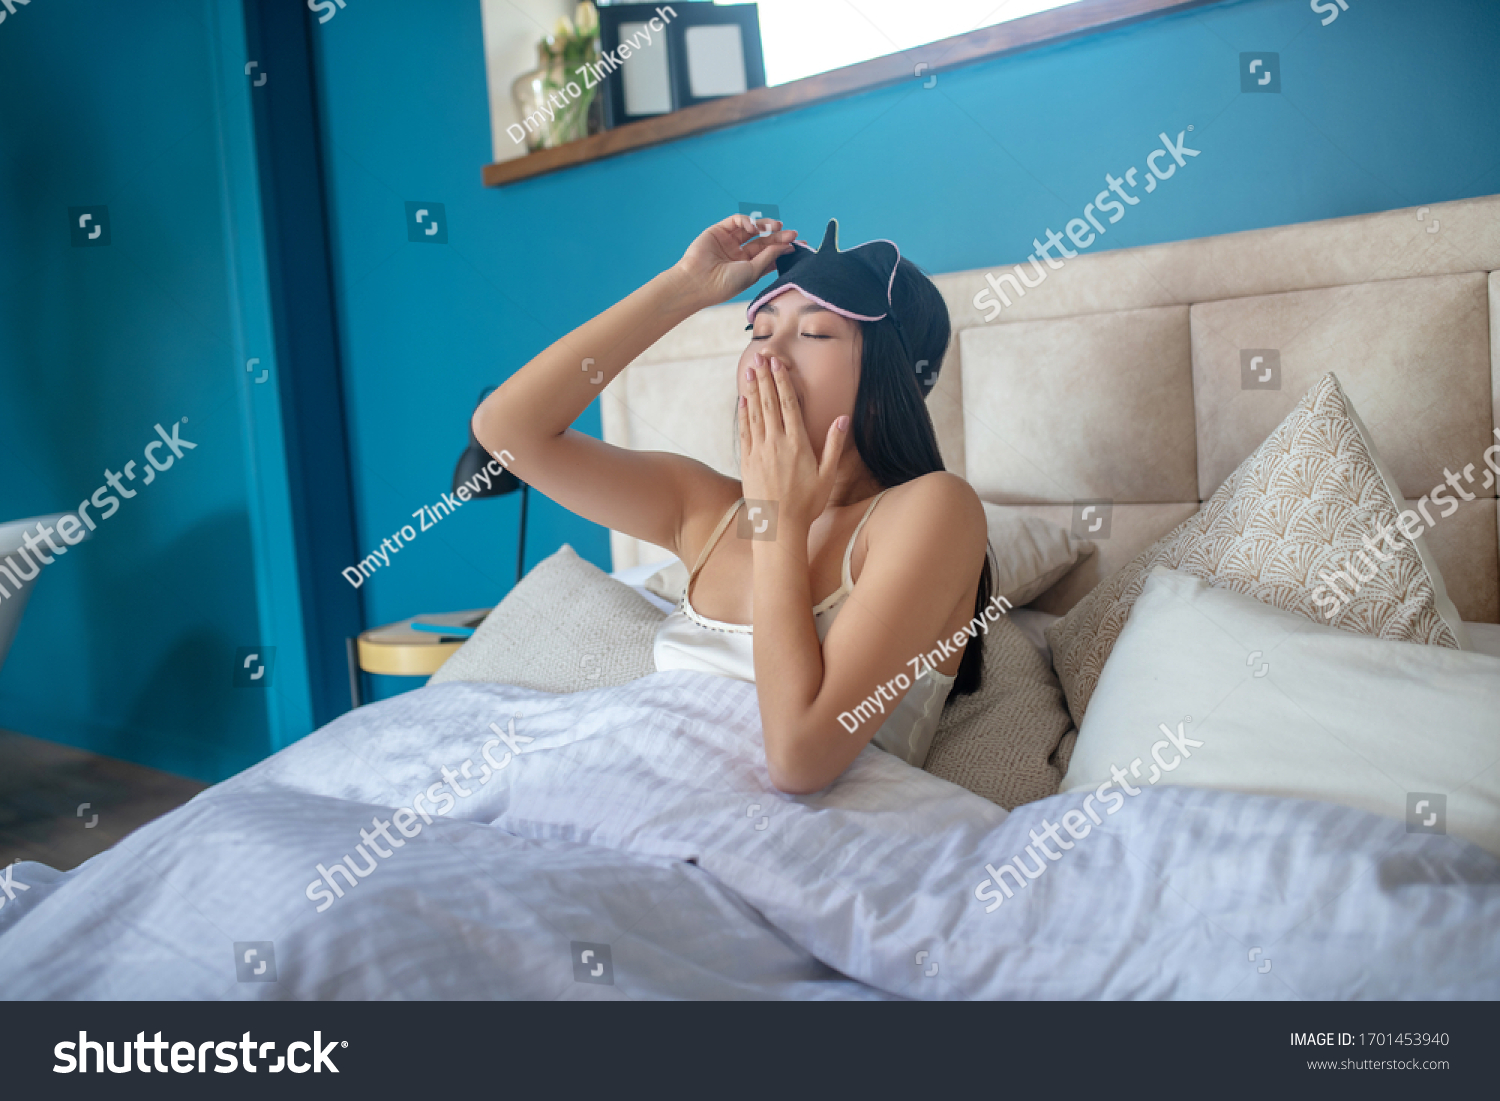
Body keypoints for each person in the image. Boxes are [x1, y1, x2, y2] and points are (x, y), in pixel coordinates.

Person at [473, 214, 993, 793]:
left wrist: (779, 522)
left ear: (887, 382)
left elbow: (800, 760)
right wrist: (684, 288)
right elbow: (507, 430)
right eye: (759, 331)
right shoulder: (705, 509)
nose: (769, 357)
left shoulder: (935, 511)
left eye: (815, 333)